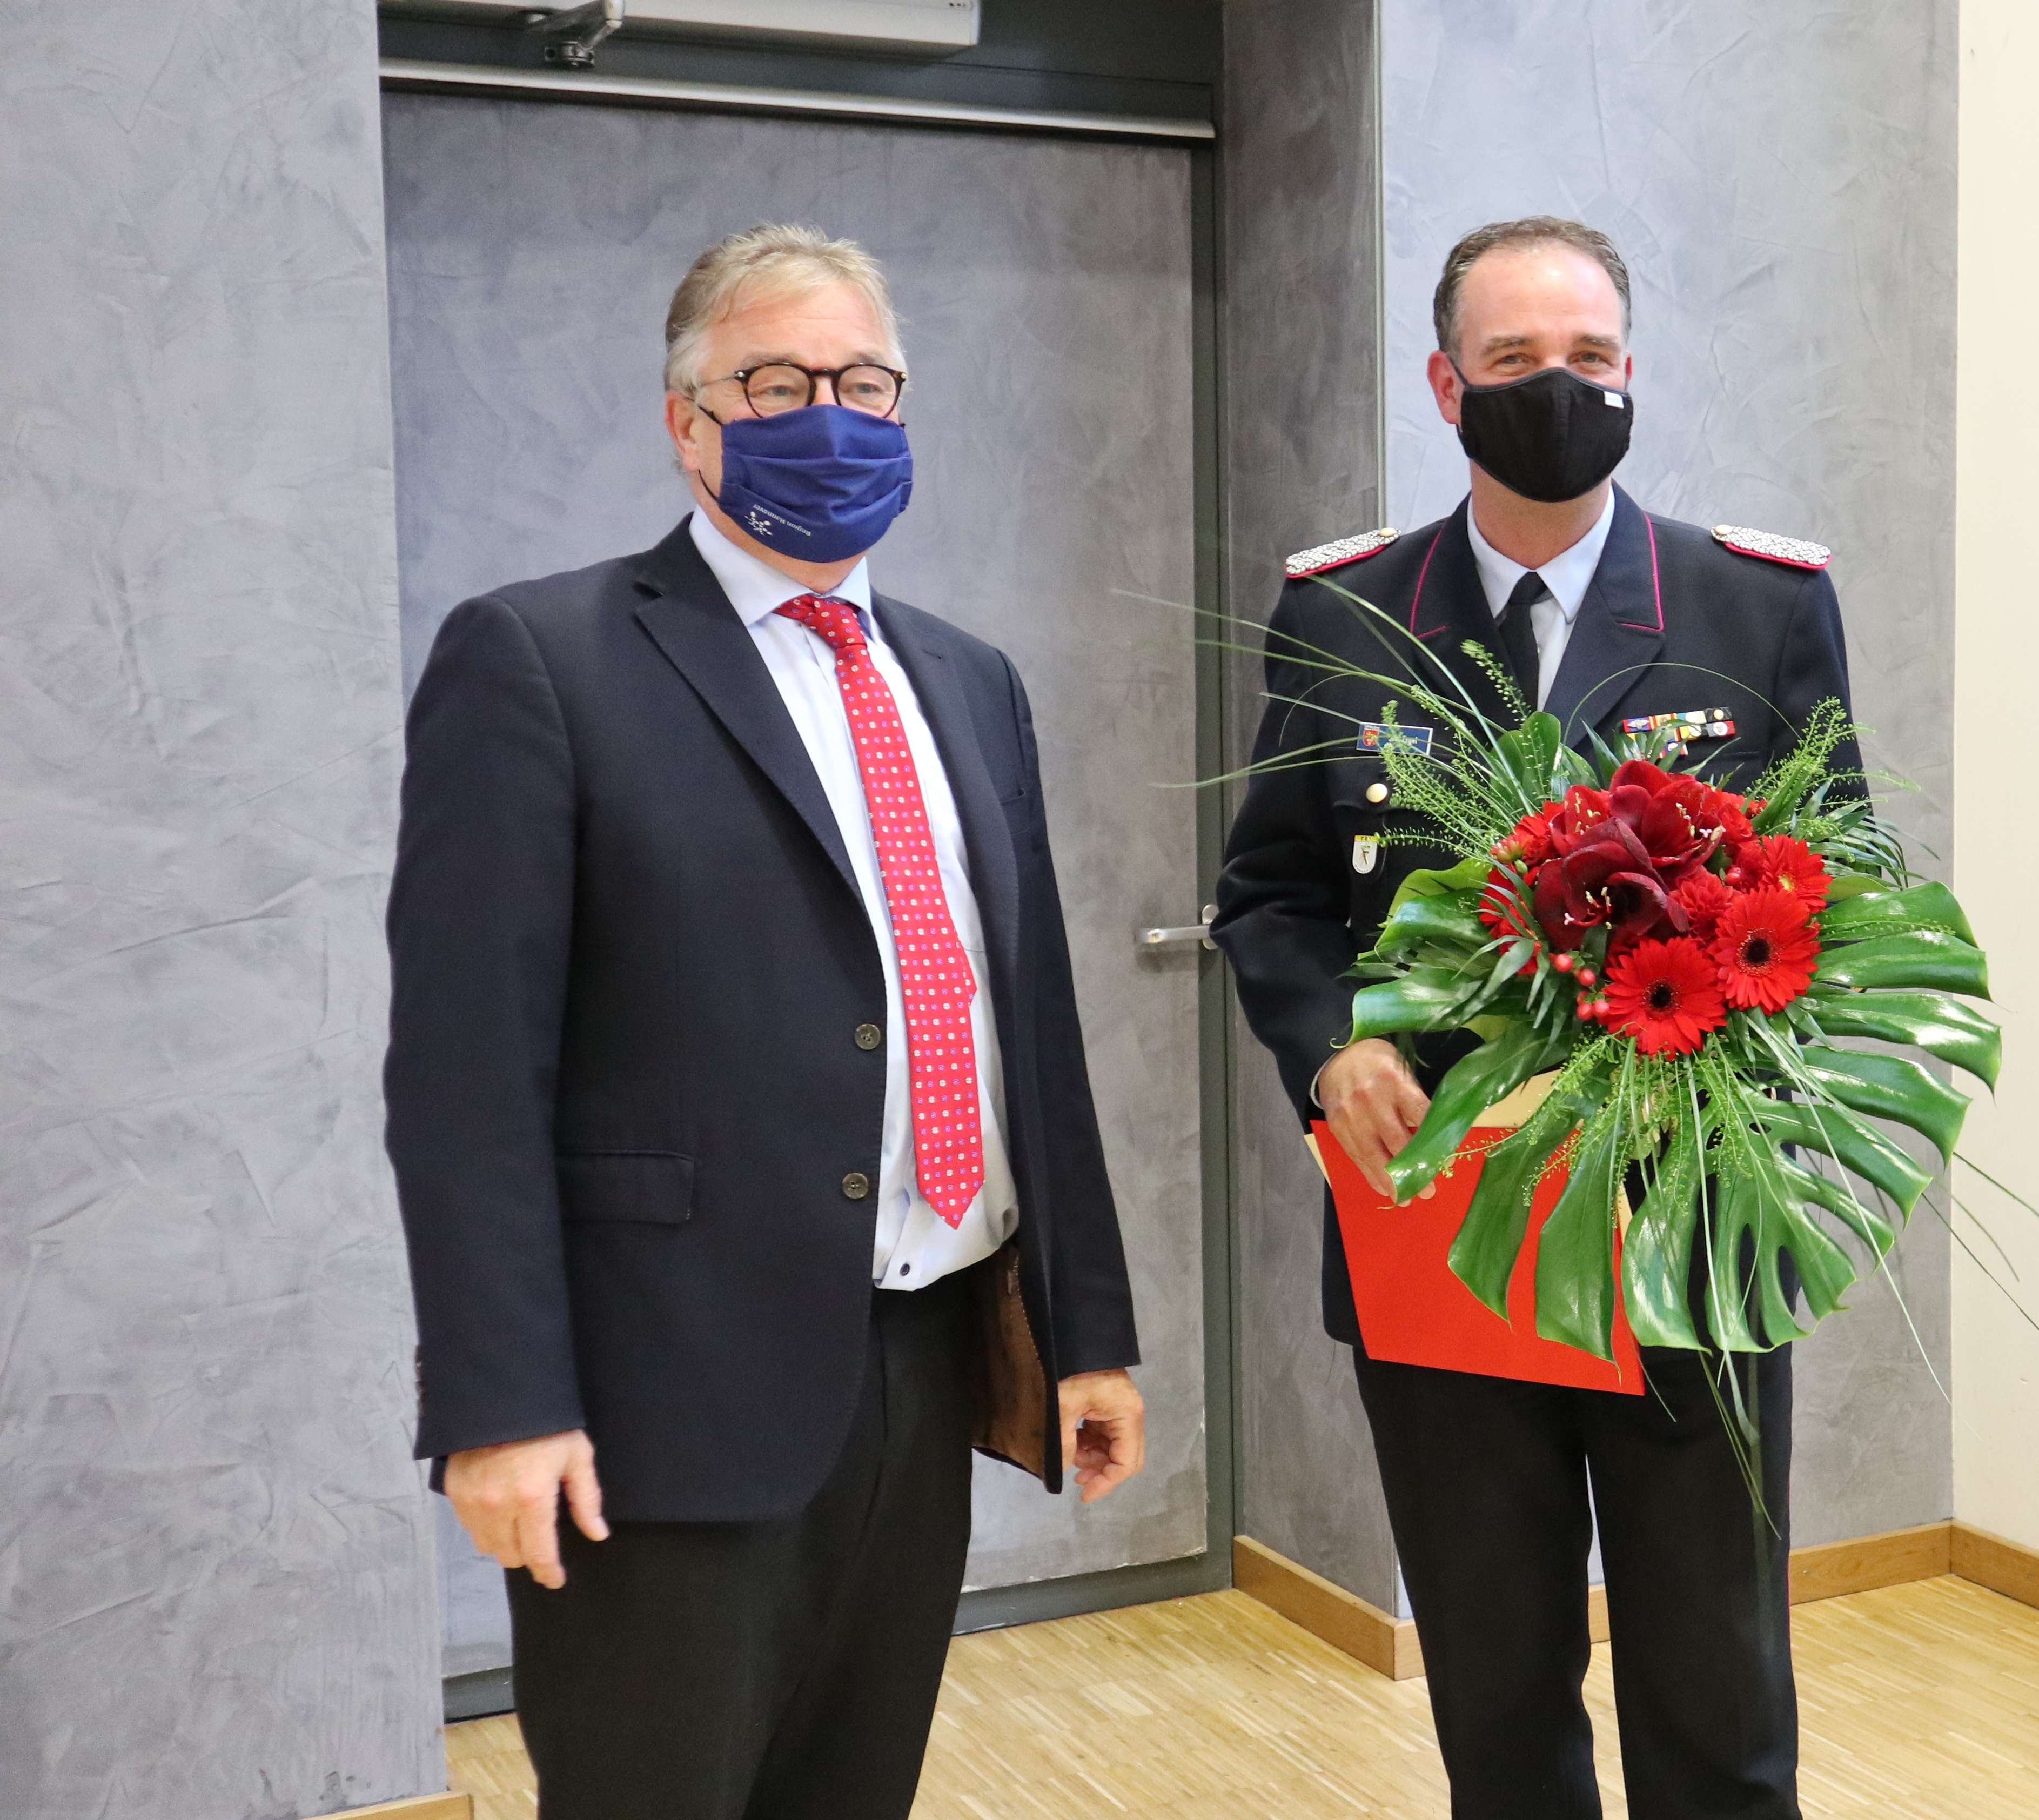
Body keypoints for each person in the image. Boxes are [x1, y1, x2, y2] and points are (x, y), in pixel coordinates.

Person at [386, 223, 1146, 1818]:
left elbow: (1030, 1030)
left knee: (850, 1789)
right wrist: (500, 1405)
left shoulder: (969, 679)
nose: (832, 415)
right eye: (778, 381)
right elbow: (465, 1077)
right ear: (687, 418)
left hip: (928, 1362)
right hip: (665, 1391)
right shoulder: (538, 658)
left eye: (865, 383)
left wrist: (1091, 1336)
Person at [1213, 215, 1855, 1819]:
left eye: (1587, 358)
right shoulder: (1343, 614)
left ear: (1631, 374)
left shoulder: (1752, 603)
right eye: (1513, 361)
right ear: (1447, 382)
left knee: (1717, 1683)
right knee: (1495, 1682)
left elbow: (1841, 888)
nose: (1554, 388)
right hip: (1442, 1214)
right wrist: (1326, 1048)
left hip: (1686, 1225)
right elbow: (1272, 893)